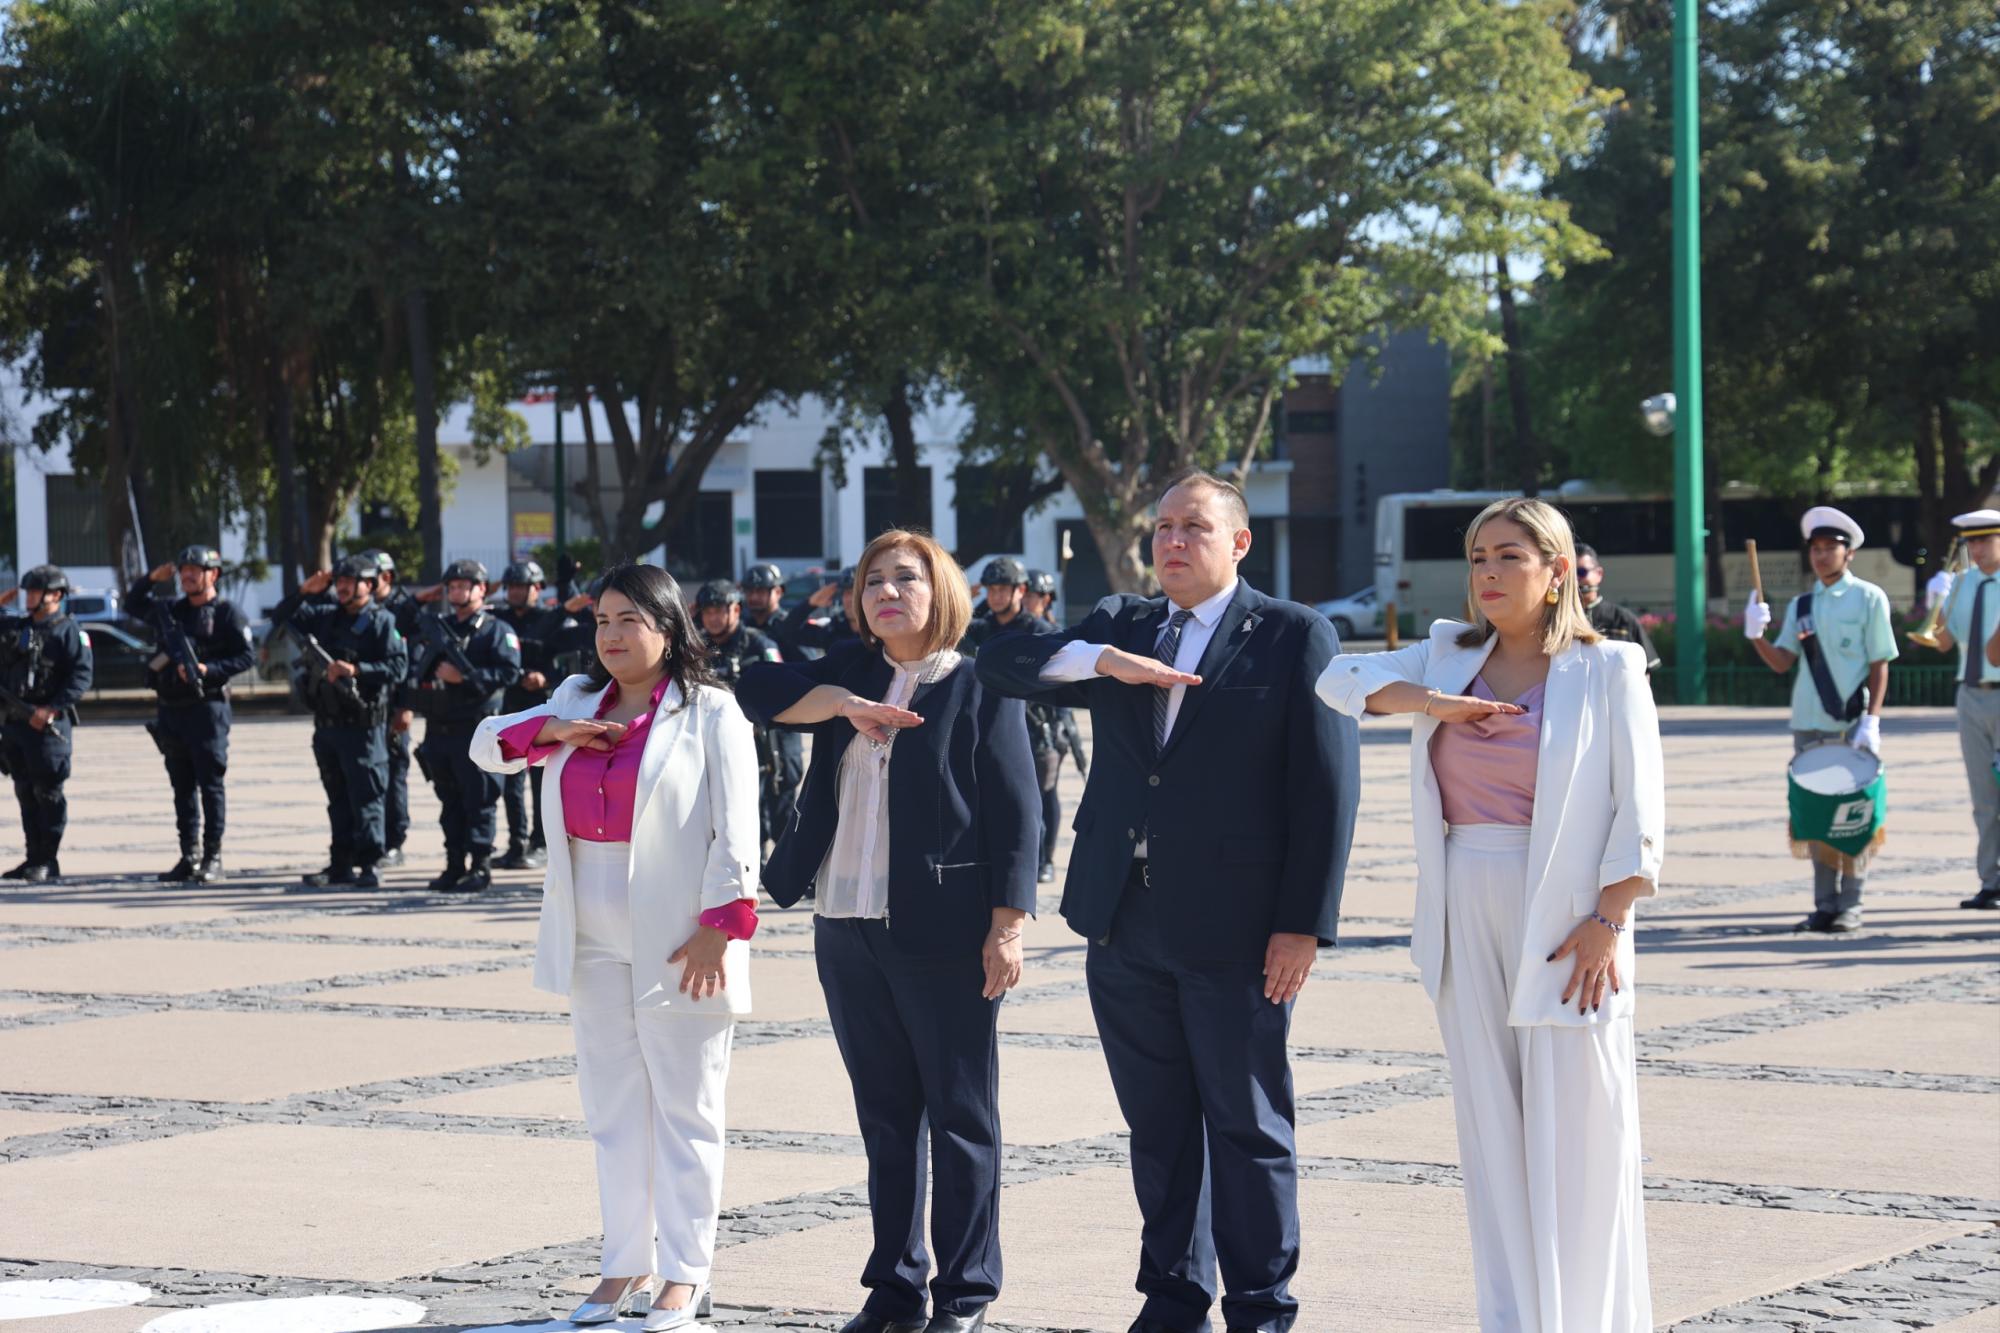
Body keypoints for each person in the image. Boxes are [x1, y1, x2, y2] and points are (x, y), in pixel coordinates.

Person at [975, 470, 1357, 1333]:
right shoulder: (1123, 622)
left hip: (1240, 926)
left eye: (1193, 527)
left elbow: (1327, 791)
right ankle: (1175, 1293)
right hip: (1125, 917)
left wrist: (1303, 925)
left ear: (1238, 542)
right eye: (1162, 529)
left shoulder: (1294, 635)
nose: (1173, 542)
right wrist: (1101, 660)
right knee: (1159, 1122)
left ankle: (1261, 1302)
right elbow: (1000, 662)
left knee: (1247, 1121)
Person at [1315, 496, 1662, 1333]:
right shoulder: (1448, 653)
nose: (1489, 575)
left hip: (1572, 916)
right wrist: (1438, 704)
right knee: (1492, 1136)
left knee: (1581, 1129)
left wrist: (1609, 920)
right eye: (1478, 559)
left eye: (1509, 556)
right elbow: (1336, 680)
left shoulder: (1609, 665)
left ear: (1555, 570)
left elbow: (1640, 807)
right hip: (1461, 907)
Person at [738, 530, 1039, 1333]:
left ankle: (966, 1290)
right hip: (844, 925)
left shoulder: (979, 685)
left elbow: (1018, 813)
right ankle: (896, 1289)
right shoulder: (851, 673)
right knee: (886, 1117)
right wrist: (842, 702)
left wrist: (1007, 926)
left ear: (940, 590)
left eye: (906, 577)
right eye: (874, 580)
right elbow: (755, 686)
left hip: (943, 931)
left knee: (962, 1115)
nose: (887, 591)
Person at [471, 563, 761, 1331]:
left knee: (686, 1106)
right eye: (602, 619)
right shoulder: (573, 699)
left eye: (629, 618)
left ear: (668, 627)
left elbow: (738, 831)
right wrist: (556, 732)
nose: (611, 634)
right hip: (590, 935)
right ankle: (623, 1262)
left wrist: (719, 928)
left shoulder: (711, 712)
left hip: (681, 938)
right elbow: (487, 745)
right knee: (613, 1109)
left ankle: (685, 1271)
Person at [1744, 505, 1898, 932]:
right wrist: (1755, 634)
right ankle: (1824, 904)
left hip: (1850, 724)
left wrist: (1873, 719)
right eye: (1816, 548)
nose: (1822, 555)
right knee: (1814, 818)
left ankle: (1851, 904)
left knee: (1851, 817)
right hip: (1808, 724)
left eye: (1831, 547)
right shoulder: (1802, 604)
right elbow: (1780, 662)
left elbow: (1880, 663)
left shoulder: (1869, 598)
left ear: (1849, 554)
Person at [269, 556, 410, 889]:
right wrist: (304, 591)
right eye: (340, 581)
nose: (343, 586)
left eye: (352, 580)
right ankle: (340, 863)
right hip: (328, 725)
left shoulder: (383, 622)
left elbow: (399, 668)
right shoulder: (324, 616)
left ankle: (372, 863)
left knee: (368, 797)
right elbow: (281, 620)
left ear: (370, 585)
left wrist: (357, 671)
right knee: (338, 797)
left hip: (364, 726)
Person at [125, 545, 256, 884]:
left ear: (213, 575)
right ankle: (189, 854)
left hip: (207, 708)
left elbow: (246, 657)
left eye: (195, 570)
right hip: (171, 709)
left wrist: (208, 669)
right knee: (181, 786)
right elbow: (133, 605)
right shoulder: (170, 610)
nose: (187, 576)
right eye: (183, 570)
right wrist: (151, 578)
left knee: (210, 784)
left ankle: (213, 856)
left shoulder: (228, 614)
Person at [397, 559, 522, 892]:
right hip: (440, 730)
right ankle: (454, 864)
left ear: (481, 589)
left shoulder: (497, 630)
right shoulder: (438, 625)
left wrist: (465, 675)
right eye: (450, 586)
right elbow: (400, 621)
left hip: (476, 729)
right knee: (449, 801)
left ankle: (480, 867)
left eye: (462, 585)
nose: (455, 591)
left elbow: (509, 673)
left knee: (479, 801)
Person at [1919, 509, 2000, 910]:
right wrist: (1935, 605)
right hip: (1970, 694)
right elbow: (1945, 644)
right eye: (1972, 542)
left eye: (1985, 540)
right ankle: (1990, 880)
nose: (1977, 549)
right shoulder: (1963, 583)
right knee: (1983, 797)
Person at [0, 566, 93, 883]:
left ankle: (47, 859)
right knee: (25, 791)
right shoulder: (18, 626)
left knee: (48, 792)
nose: (29, 597)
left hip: (47, 727)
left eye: (35, 591)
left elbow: (81, 677)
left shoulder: (70, 631)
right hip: (16, 725)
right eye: (27, 592)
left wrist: (51, 709)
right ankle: (31, 858)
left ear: (55, 595)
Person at [490, 559, 579, 871]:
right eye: (512, 586)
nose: (516, 592)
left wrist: (546, 680)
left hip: (544, 710)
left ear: (537, 589)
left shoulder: (553, 619)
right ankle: (516, 843)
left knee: (544, 782)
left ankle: (541, 843)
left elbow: (573, 663)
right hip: (511, 705)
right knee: (510, 779)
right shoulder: (497, 619)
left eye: (522, 586)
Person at [694, 580, 786, 845]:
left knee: (755, 806)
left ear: (735, 609)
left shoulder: (758, 643)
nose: (712, 618)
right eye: (707, 611)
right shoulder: (696, 647)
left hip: (756, 741)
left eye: (719, 610)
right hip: (706, 739)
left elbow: (780, 684)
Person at [362, 549, 425, 869]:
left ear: (386, 578)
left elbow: (411, 663)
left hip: (394, 703)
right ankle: (369, 840)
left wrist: (406, 705)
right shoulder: (359, 609)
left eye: (371, 578)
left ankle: (394, 841)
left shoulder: (404, 610)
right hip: (367, 706)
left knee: (395, 773)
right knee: (370, 776)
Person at [740, 563, 806, 840]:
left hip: (782, 730)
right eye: (750, 590)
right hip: (749, 732)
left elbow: (810, 670)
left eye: (762, 590)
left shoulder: (789, 627)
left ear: (778, 592)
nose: (755, 596)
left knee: (783, 813)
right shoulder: (738, 628)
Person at [1574, 543, 1661, 672]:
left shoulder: (1623, 619)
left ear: (1599, 574)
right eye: (1570, 573)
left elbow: (1644, 672)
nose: (1576, 579)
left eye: (1581, 572)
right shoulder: (1557, 619)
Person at [959, 558, 1042, 654]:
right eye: (991, 589)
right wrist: (962, 600)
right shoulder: (976, 630)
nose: (996, 596)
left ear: (1021, 590)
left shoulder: (1040, 632)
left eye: (1003, 589)